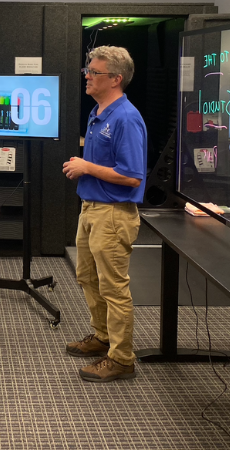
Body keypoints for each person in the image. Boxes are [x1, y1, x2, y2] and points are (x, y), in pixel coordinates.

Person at [62, 46, 148, 383]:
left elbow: (132, 176)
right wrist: (88, 167)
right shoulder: (99, 111)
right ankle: (102, 337)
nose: (87, 76)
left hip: (113, 214)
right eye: (88, 70)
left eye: (94, 72)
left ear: (115, 78)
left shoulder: (126, 118)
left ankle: (122, 358)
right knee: (88, 277)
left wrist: (87, 167)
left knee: (113, 288)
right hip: (91, 208)